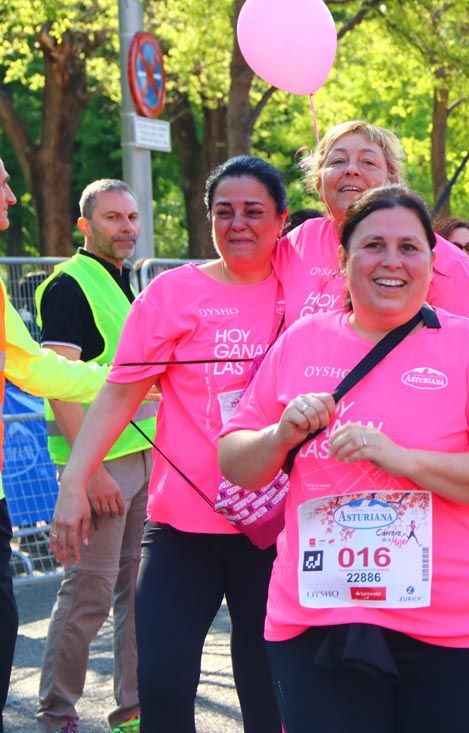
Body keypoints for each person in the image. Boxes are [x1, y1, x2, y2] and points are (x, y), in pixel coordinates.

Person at [218, 185, 469, 733]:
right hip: (319, 614)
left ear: (433, 264)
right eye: (373, 245)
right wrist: (279, 435)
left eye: (410, 248)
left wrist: (401, 459)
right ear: (343, 259)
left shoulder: (468, 345)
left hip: (455, 622)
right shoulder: (300, 342)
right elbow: (236, 463)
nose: (392, 261)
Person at [49, 157, 289, 733]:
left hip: (274, 531)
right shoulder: (172, 293)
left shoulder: (302, 290)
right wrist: (74, 483)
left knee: (268, 695)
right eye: (223, 212)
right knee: (161, 687)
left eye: (254, 211)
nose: (238, 224)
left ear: (281, 221)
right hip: (184, 530)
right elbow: (117, 395)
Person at [33, 179, 152, 733]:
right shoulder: (69, 286)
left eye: (131, 217)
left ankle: (130, 708)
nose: (126, 228)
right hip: (102, 470)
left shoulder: (125, 282)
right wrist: (91, 473)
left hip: (144, 464)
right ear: (85, 225)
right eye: (112, 218)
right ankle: (57, 715)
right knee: (89, 594)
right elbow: (60, 385)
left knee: (135, 591)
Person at [0, 154, 108, 733]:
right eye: (3, 184)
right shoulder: (66, 282)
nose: (13, 198)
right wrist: (119, 380)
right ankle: (57, 710)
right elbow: (36, 371)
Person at [279, 120, 469, 345]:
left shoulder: (449, 263)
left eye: (368, 162)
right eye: (337, 161)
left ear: (392, 180)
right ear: (318, 182)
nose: (351, 170)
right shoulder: (299, 242)